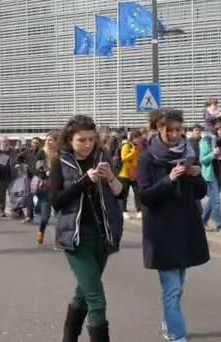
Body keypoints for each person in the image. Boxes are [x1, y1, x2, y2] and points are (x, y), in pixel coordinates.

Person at [136, 108, 209, 342]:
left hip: (186, 229)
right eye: (171, 130)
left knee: (177, 288)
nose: (176, 134)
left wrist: (197, 176)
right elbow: (144, 196)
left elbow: (200, 193)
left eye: (179, 129)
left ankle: (169, 323)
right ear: (159, 128)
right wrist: (169, 179)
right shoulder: (147, 158)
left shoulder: (188, 153)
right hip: (161, 231)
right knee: (172, 288)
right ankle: (178, 337)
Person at [50, 115, 123, 342]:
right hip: (76, 238)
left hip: (102, 236)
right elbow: (56, 201)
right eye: (82, 140)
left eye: (92, 139)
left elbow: (121, 193)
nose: (88, 145)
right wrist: (83, 182)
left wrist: (111, 177)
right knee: (96, 299)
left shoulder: (102, 157)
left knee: (83, 294)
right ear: (70, 140)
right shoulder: (59, 162)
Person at [200, 118, 221, 236]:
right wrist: (212, 154)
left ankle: (201, 221)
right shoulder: (207, 141)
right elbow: (203, 160)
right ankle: (220, 226)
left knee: (213, 200)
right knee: (217, 201)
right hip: (210, 174)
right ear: (216, 130)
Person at [34, 131, 58, 246]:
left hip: (58, 188)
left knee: (60, 216)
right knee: (45, 217)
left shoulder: (60, 153)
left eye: (51, 140)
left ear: (56, 142)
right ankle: (41, 232)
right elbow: (39, 170)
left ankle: (59, 240)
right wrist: (47, 172)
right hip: (45, 188)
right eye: (47, 139)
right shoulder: (41, 153)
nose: (48, 142)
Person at [118, 129, 144, 220]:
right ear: (134, 138)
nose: (140, 140)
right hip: (125, 173)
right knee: (124, 194)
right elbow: (123, 159)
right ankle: (124, 211)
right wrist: (133, 152)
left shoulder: (138, 146)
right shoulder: (127, 146)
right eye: (139, 138)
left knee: (137, 192)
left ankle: (139, 210)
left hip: (135, 173)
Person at [0, 136, 16, 217]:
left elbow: (17, 161)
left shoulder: (13, 151)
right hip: (0, 178)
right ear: (0, 143)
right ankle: (1, 210)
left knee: (13, 195)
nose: (5, 143)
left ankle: (14, 210)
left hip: (11, 176)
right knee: (1, 196)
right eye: (3, 142)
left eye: (6, 141)